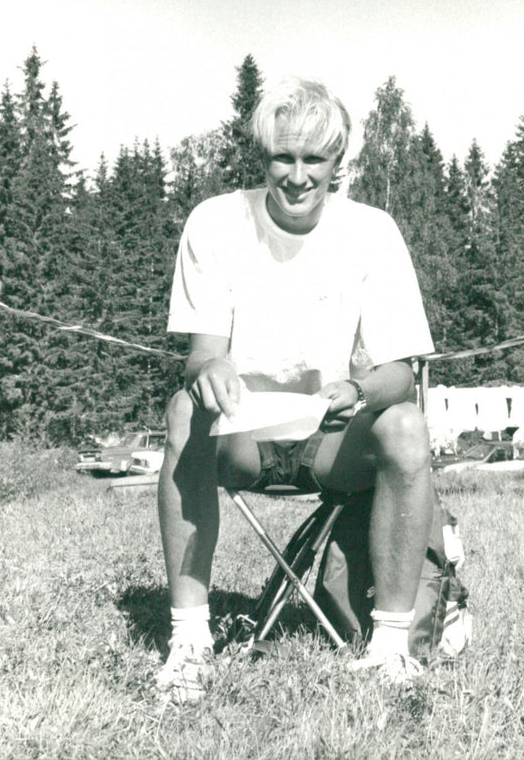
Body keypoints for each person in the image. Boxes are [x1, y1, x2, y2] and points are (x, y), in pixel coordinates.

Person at [156, 77, 436, 701]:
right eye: (284, 156)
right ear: (262, 156)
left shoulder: (372, 230)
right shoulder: (216, 221)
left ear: (340, 160)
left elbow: (400, 370)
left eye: (316, 159)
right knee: (182, 411)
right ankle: (190, 640)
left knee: (407, 424)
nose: (299, 175)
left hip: (333, 440)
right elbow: (200, 356)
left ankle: (392, 647)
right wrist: (210, 373)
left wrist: (356, 391)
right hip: (243, 440)